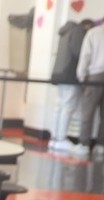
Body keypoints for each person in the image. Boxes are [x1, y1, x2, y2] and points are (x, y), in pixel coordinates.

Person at [49, 18, 94, 155]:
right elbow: (78, 52)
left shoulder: (65, 31)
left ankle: (55, 138)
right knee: (68, 108)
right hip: (70, 75)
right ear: (86, 26)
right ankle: (61, 138)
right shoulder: (78, 32)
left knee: (59, 107)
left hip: (59, 73)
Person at [75, 18, 104, 159]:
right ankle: (101, 145)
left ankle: (84, 144)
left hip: (95, 75)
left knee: (88, 111)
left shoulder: (93, 33)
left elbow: (85, 55)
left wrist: (81, 75)